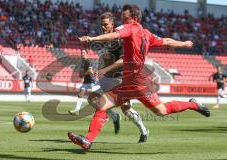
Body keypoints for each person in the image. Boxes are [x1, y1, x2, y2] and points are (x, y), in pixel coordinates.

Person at [68, 4, 210, 150]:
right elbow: (166, 41)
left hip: (138, 82)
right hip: (127, 81)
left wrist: (92, 38)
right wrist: (184, 43)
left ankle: (193, 104)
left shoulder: (130, 28)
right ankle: (87, 140)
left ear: (134, 18)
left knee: (161, 111)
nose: (122, 21)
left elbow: (115, 35)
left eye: (125, 17)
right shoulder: (147, 34)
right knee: (102, 106)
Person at [87, 12, 148, 143]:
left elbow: (123, 60)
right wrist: (94, 68)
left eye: (105, 24)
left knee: (126, 109)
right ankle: (114, 116)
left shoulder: (119, 40)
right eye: (101, 25)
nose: (103, 27)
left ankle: (143, 130)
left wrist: (104, 70)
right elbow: (105, 57)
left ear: (112, 24)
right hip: (105, 79)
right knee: (92, 99)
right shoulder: (103, 39)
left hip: (119, 79)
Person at [68, 49, 100, 116]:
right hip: (86, 81)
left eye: (84, 52)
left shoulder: (88, 60)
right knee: (80, 94)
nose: (82, 54)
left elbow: (90, 70)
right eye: (81, 52)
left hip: (91, 81)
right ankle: (77, 111)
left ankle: (104, 112)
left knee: (94, 98)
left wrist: (84, 74)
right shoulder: (83, 61)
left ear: (87, 53)